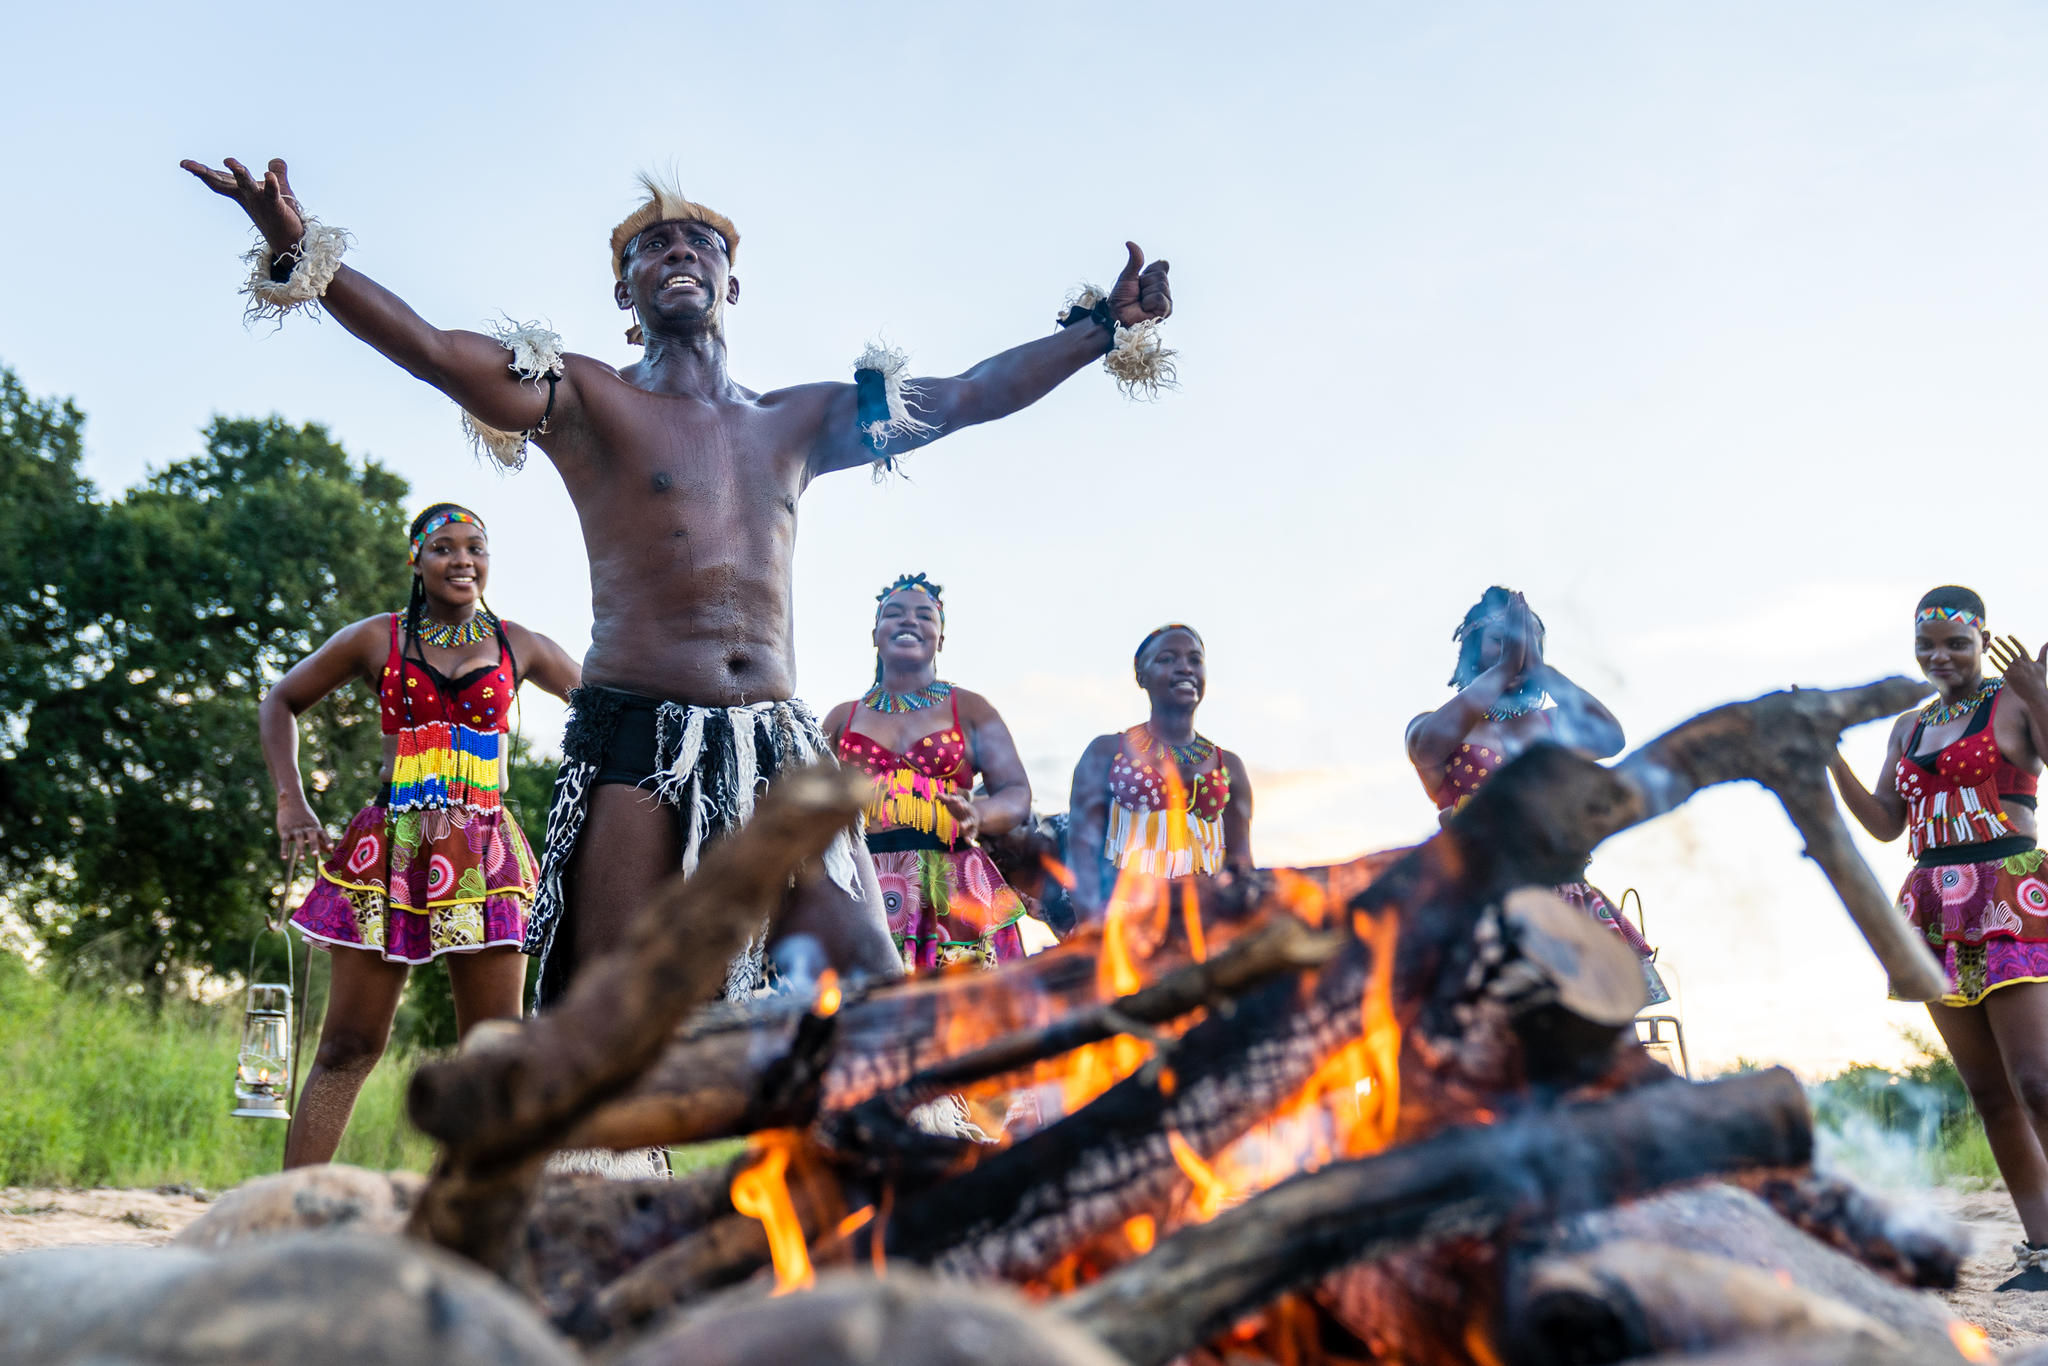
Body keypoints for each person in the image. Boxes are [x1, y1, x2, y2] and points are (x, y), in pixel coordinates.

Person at [183, 157, 1175, 1004]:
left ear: (732, 284)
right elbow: (437, 353)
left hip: (779, 744)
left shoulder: (799, 419)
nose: (679, 254)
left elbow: (966, 395)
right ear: (625, 294)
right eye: (652, 248)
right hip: (640, 740)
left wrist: (1101, 330)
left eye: (701, 243)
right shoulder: (583, 396)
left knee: (871, 992)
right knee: (609, 1017)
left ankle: (866, 1168)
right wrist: (300, 248)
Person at [262, 502, 579, 1167]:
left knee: (493, 1051)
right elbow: (281, 700)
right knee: (348, 1046)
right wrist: (292, 801)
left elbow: (602, 713)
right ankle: (292, 1204)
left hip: (484, 852)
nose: (462, 560)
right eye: (444, 548)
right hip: (389, 849)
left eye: (475, 548)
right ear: (417, 561)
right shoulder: (376, 638)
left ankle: (480, 1209)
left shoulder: (520, 644)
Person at [1828, 586, 2048, 1287]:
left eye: (1956, 642)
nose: (1940, 656)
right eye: (1927, 645)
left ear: (1983, 638)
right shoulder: (1910, 727)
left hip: (2009, 891)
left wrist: (2037, 693)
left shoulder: (2013, 700)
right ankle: (2044, 1249)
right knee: (1990, 1093)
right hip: (1933, 906)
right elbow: (1885, 822)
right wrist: (1830, 759)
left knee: (2038, 1081)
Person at [1405, 586, 1667, 1003]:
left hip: (1561, 898)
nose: (1518, 652)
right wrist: (1503, 670)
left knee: (1586, 1027)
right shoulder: (1434, 726)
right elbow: (1426, 749)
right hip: (1478, 899)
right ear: (1472, 649)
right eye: (1501, 640)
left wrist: (1543, 672)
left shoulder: (1551, 725)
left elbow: (1610, 737)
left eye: (1530, 643)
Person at [823, 574, 1037, 971]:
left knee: (966, 1003)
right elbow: (810, 804)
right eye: (894, 613)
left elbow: (1015, 792)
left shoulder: (971, 709)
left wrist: (978, 815)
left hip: (954, 885)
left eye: (925, 615)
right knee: (864, 1003)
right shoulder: (840, 718)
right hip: (863, 886)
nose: (909, 620)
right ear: (875, 634)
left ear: (940, 640)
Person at [1067, 625, 1253, 918]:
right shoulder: (1105, 752)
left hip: (1202, 925)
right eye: (1167, 659)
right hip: (1122, 922)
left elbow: (1240, 866)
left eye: (1195, 660)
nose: (1185, 668)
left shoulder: (1229, 767)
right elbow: (1081, 853)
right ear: (1141, 676)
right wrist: (1094, 925)